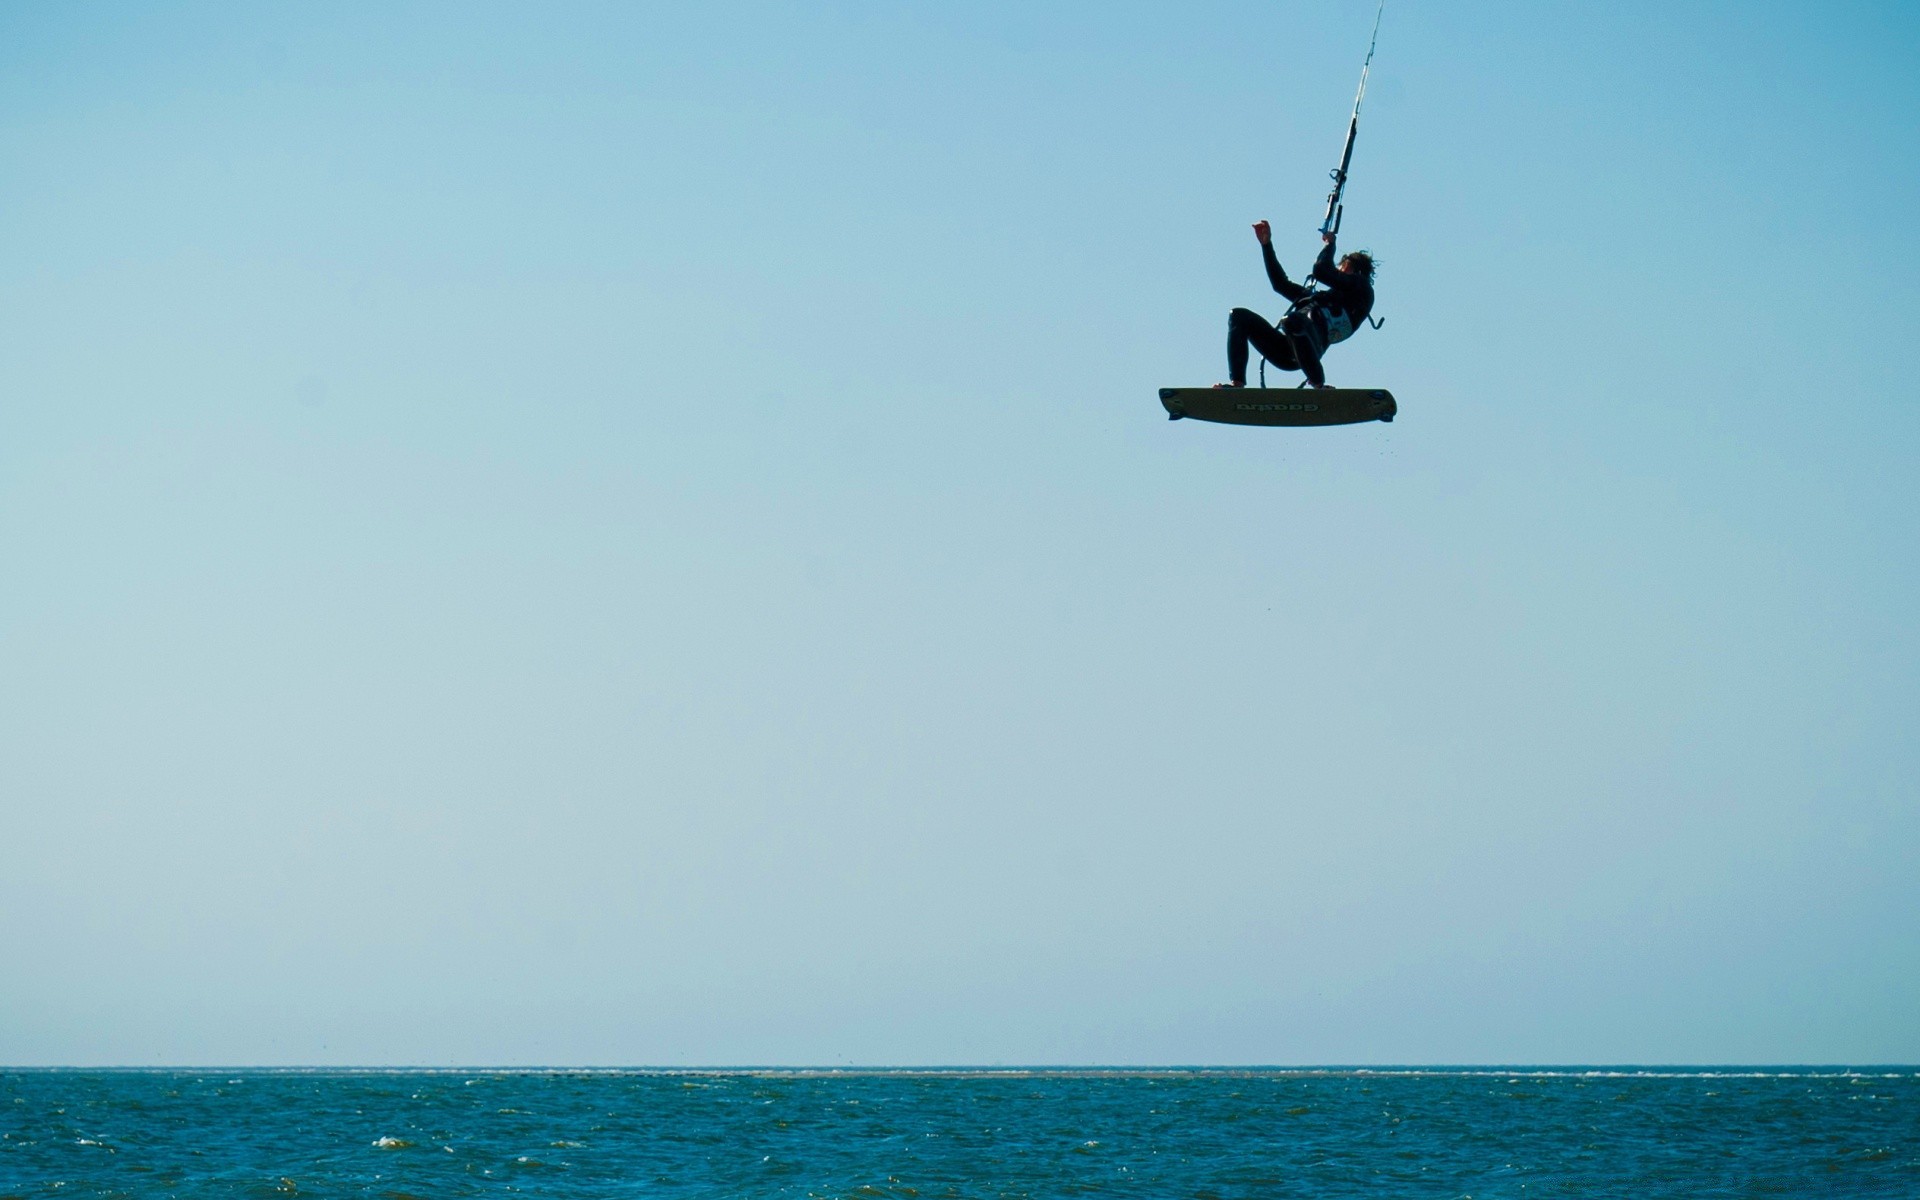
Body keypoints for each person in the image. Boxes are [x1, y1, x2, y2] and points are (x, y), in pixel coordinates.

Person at [1221, 221, 1375, 389]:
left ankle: (1318, 384)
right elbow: (1280, 284)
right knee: (1238, 316)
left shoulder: (1362, 290)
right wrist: (1266, 245)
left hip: (1311, 346)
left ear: (1353, 270)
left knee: (1292, 321)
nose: (1337, 274)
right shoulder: (1315, 300)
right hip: (1286, 352)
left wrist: (1330, 245)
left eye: (1342, 269)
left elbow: (1321, 270)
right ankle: (1236, 384)